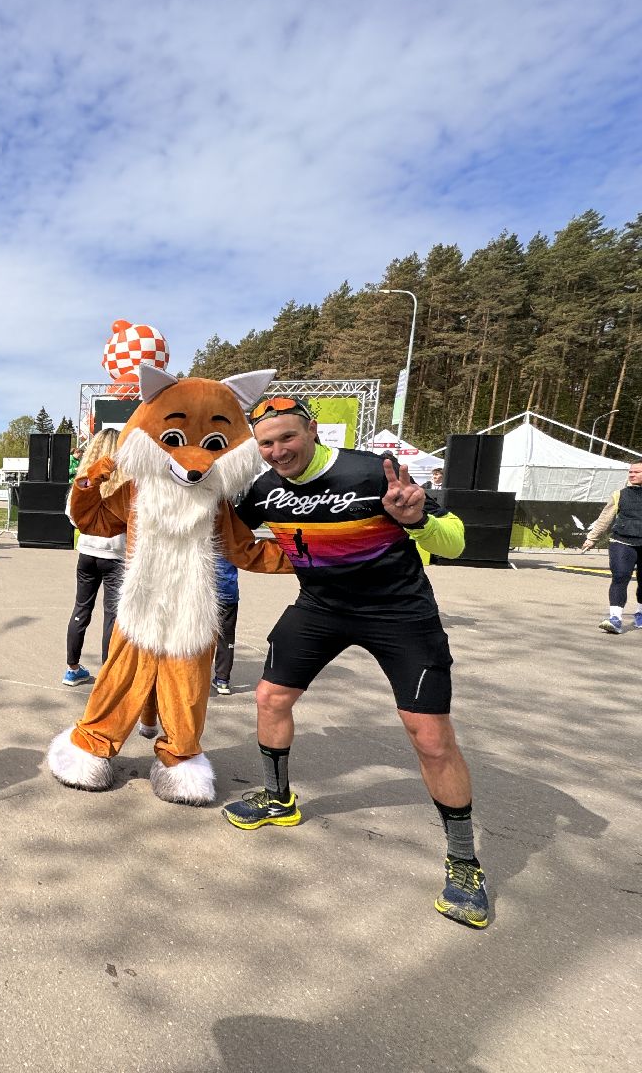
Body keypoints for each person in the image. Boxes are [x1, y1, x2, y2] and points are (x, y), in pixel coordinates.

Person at [220, 396, 489, 929]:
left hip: (400, 613)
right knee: (270, 697)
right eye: (266, 443)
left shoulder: (373, 471)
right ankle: (278, 800)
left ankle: (464, 862)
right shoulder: (262, 489)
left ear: (312, 432)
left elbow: (455, 542)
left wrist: (416, 521)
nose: (277, 451)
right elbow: (230, 528)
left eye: (287, 438)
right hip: (320, 608)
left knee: (429, 735)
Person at [62, 428, 125, 688]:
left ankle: (72, 667)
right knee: (113, 615)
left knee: (81, 608)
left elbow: (72, 515)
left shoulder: (84, 479)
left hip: (88, 552)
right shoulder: (125, 482)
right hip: (117, 554)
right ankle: (108, 673)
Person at [581, 460, 642, 633]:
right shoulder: (619, 494)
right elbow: (605, 518)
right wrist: (592, 538)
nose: (632, 474)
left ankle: (640, 613)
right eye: (630, 472)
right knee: (620, 576)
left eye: (637, 472)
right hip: (622, 542)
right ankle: (615, 619)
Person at [211, 556, 239, 696]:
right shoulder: (231, 536)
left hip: (206, 593)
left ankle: (192, 678)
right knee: (226, 637)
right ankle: (222, 679)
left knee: (196, 636)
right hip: (227, 592)